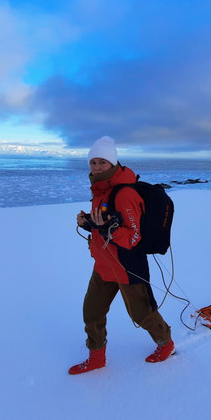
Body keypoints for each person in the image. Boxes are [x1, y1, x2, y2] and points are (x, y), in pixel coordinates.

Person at [69, 136, 175, 375]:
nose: (96, 167)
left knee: (142, 313)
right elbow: (106, 223)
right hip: (104, 264)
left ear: (113, 163)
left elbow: (133, 237)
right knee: (92, 312)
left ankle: (166, 344)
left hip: (127, 265)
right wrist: (90, 224)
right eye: (93, 162)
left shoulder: (124, 193)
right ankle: (96, 357)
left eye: (102, 162)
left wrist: (106, 228)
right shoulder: (100, 189)